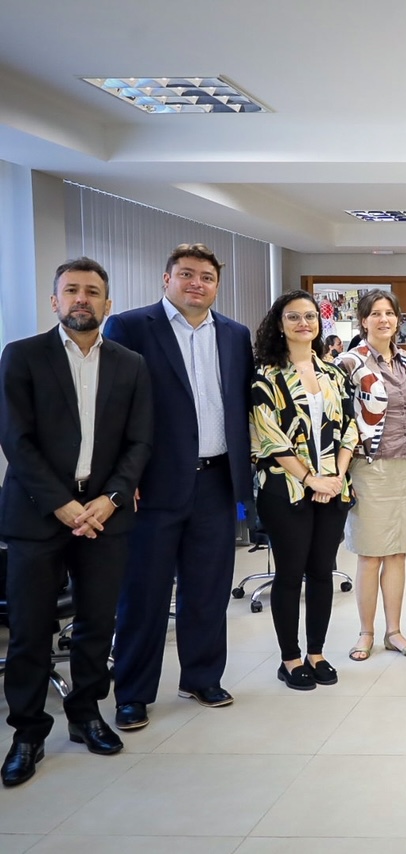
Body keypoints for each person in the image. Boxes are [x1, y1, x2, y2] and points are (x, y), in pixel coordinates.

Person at [0, 258, 152, 787]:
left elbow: (140, 442)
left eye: (92, 292)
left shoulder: (130, 363)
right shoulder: (22, 357)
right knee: (29, 629)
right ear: (54, 301)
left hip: (105, 515)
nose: (81, 299)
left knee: (96, 624)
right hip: (39, 514)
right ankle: (27, 732)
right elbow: (16, 441)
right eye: (71, 291)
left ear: (107, 304)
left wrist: (109, 499)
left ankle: (86, 714)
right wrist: (63, 505)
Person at [105, 243, 254, 730]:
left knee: (208, 588)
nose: (197, 284)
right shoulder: (130, 327)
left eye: (207, 277)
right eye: (186, 274)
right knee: (144, 592)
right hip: (152, 485)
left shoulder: (234, 334)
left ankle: (202, 676)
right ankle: (132, 692)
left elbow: (237, 406)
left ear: (216, 284)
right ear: (165, 278)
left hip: (215, 479)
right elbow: (113, 409)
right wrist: (123, 482)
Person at [249, 291, 357, 690]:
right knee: (291, 574)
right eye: (294, 317)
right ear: (280, 324)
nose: (303, 324)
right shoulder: (266, 376)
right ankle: (290, 659)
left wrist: (336, 476)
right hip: (286, 490)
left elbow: (350, 427)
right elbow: (269, 436)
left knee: (322, 573)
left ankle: (317, 653)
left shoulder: (333, 372)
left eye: (310, 317)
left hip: (334, 488)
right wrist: (311, 479)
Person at [335, 291, 406, 661]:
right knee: (370, 554)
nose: (383, 320)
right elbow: (341, 420)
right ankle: (366, 633)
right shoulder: (350, 361)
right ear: (363, 321)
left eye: (389, 313)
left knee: (397, 554)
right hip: (369, 465)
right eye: (375, 314)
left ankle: (394, 632)